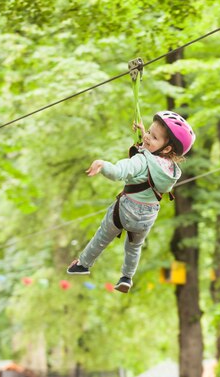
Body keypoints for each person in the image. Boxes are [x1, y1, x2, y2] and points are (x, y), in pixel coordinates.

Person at [67, 111, 196, 293]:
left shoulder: (141, 161)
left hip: (125, 211)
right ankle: (127, 277)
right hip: (147, 217)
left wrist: (103, 164)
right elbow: (152, 154)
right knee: (134, 248)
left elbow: (119, 172)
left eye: (153, 136)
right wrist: (146, 136)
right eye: (149, 132)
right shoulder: (170, 171)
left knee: (103, 236)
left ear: (167, 148)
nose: (147, 137)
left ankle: (83, 264)